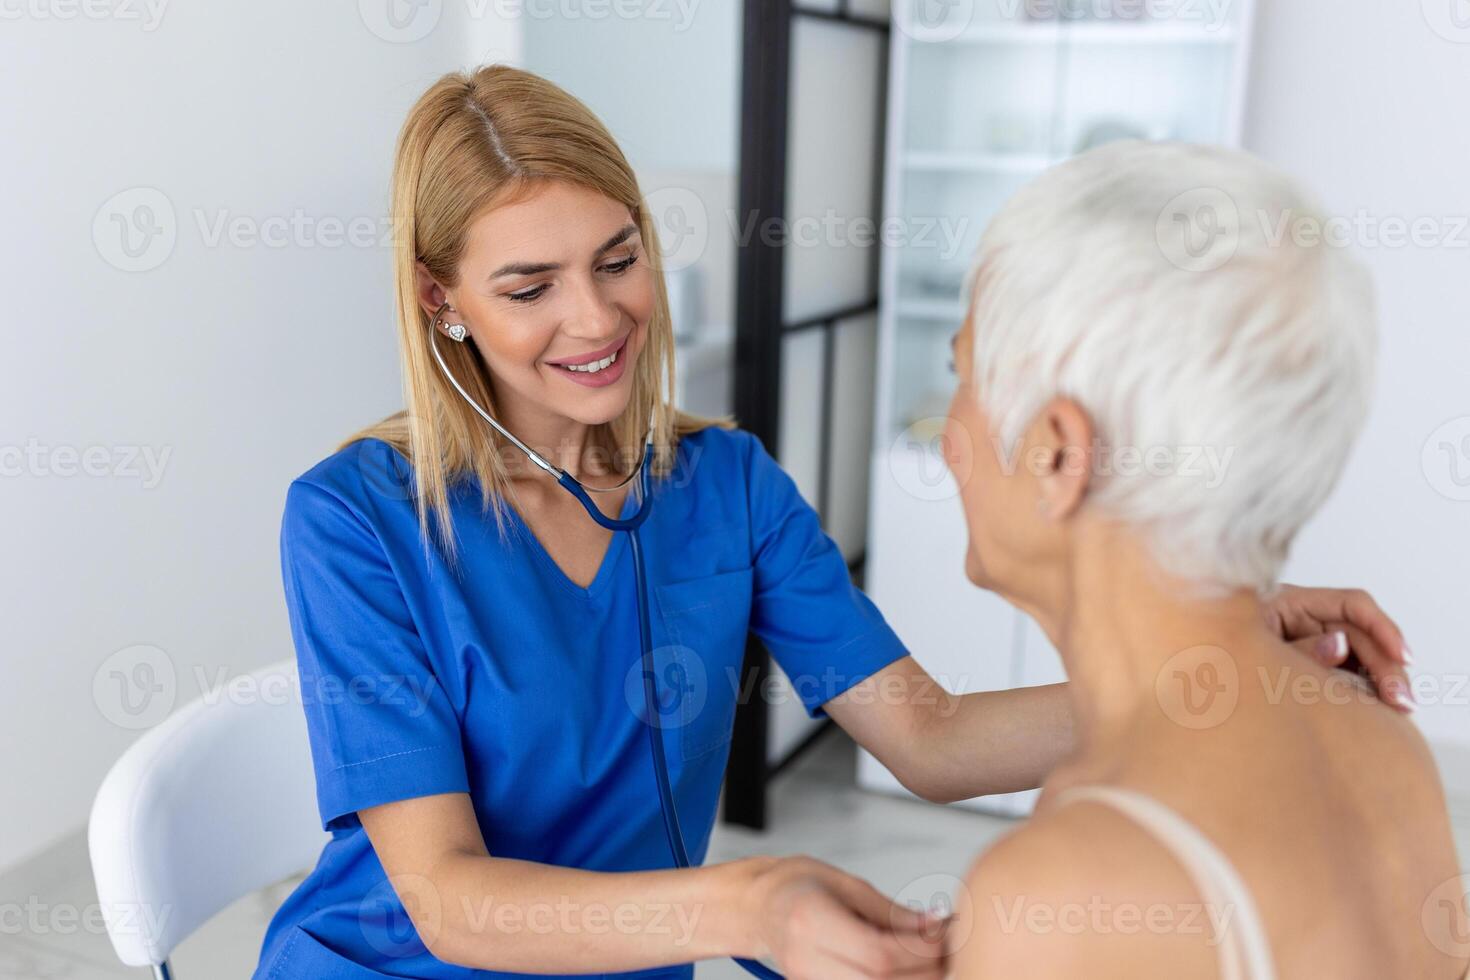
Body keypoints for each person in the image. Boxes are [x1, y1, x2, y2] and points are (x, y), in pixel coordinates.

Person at [251, 66, 1417, 980]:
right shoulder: (355, 520)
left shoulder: (726, 482)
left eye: (619, 258)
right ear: (437, 298)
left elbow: (932, 736)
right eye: (530, 286)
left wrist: (1214, 652)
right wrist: (746, 900)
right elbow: (448, 898)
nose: (596, 316)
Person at [939, 140, 1468, 980]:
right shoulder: (1386, 749)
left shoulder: (1063, 886)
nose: (943, 431)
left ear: (1056, 456)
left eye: (957, 372)